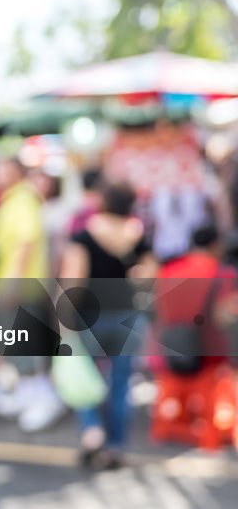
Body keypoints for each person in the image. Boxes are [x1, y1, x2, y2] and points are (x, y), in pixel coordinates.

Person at [60, 182, 155, 469]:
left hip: (90, 317)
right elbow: (150, 279)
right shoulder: (139, 236)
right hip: (128, 317)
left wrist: (63, 321)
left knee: (83, 374)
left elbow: (71, 282)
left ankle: (91, 429)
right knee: (121, 382)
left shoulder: (84, 235)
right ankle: (116, 446)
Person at [0, 157, 64, 432]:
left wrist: (11, 284)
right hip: (19, 285)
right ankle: (29, 396)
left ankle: (41, 400)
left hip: (20, 287)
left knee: (25, 346)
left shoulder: (21, 200)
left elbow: (25, 243)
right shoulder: (17, 199)